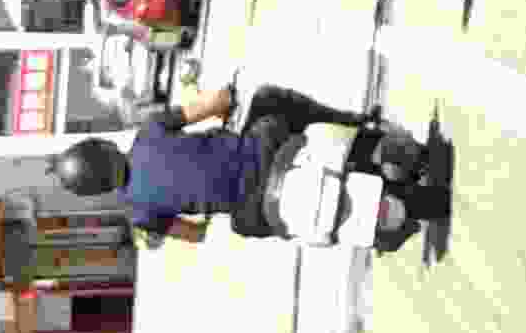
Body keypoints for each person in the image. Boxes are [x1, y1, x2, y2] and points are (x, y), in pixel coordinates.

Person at [53, 79, 374, 245]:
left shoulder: (140, 214)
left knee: (248, 225)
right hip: (264, 150)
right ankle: (355, 123)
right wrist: (225, 98)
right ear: (102, 148)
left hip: (256, 212)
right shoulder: (150, 130)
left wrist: (203, 201)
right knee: (270, 99)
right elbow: (215, 102)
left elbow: (196, 235)